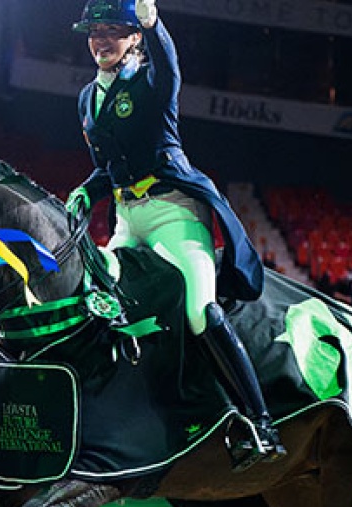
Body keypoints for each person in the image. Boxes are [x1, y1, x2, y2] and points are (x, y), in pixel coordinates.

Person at [65, 0, 283, 470]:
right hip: (126, 218)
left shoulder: (153, 79)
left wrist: (154, 23)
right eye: (95, 32)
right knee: (95, 304)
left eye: (114, 31)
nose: (101, 40)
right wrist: (87, 190)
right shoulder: (87, 97)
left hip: (173, 212)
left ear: (134, 38)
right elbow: (108, 166)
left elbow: (167, 61)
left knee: (199, 310)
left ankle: (260, 424)